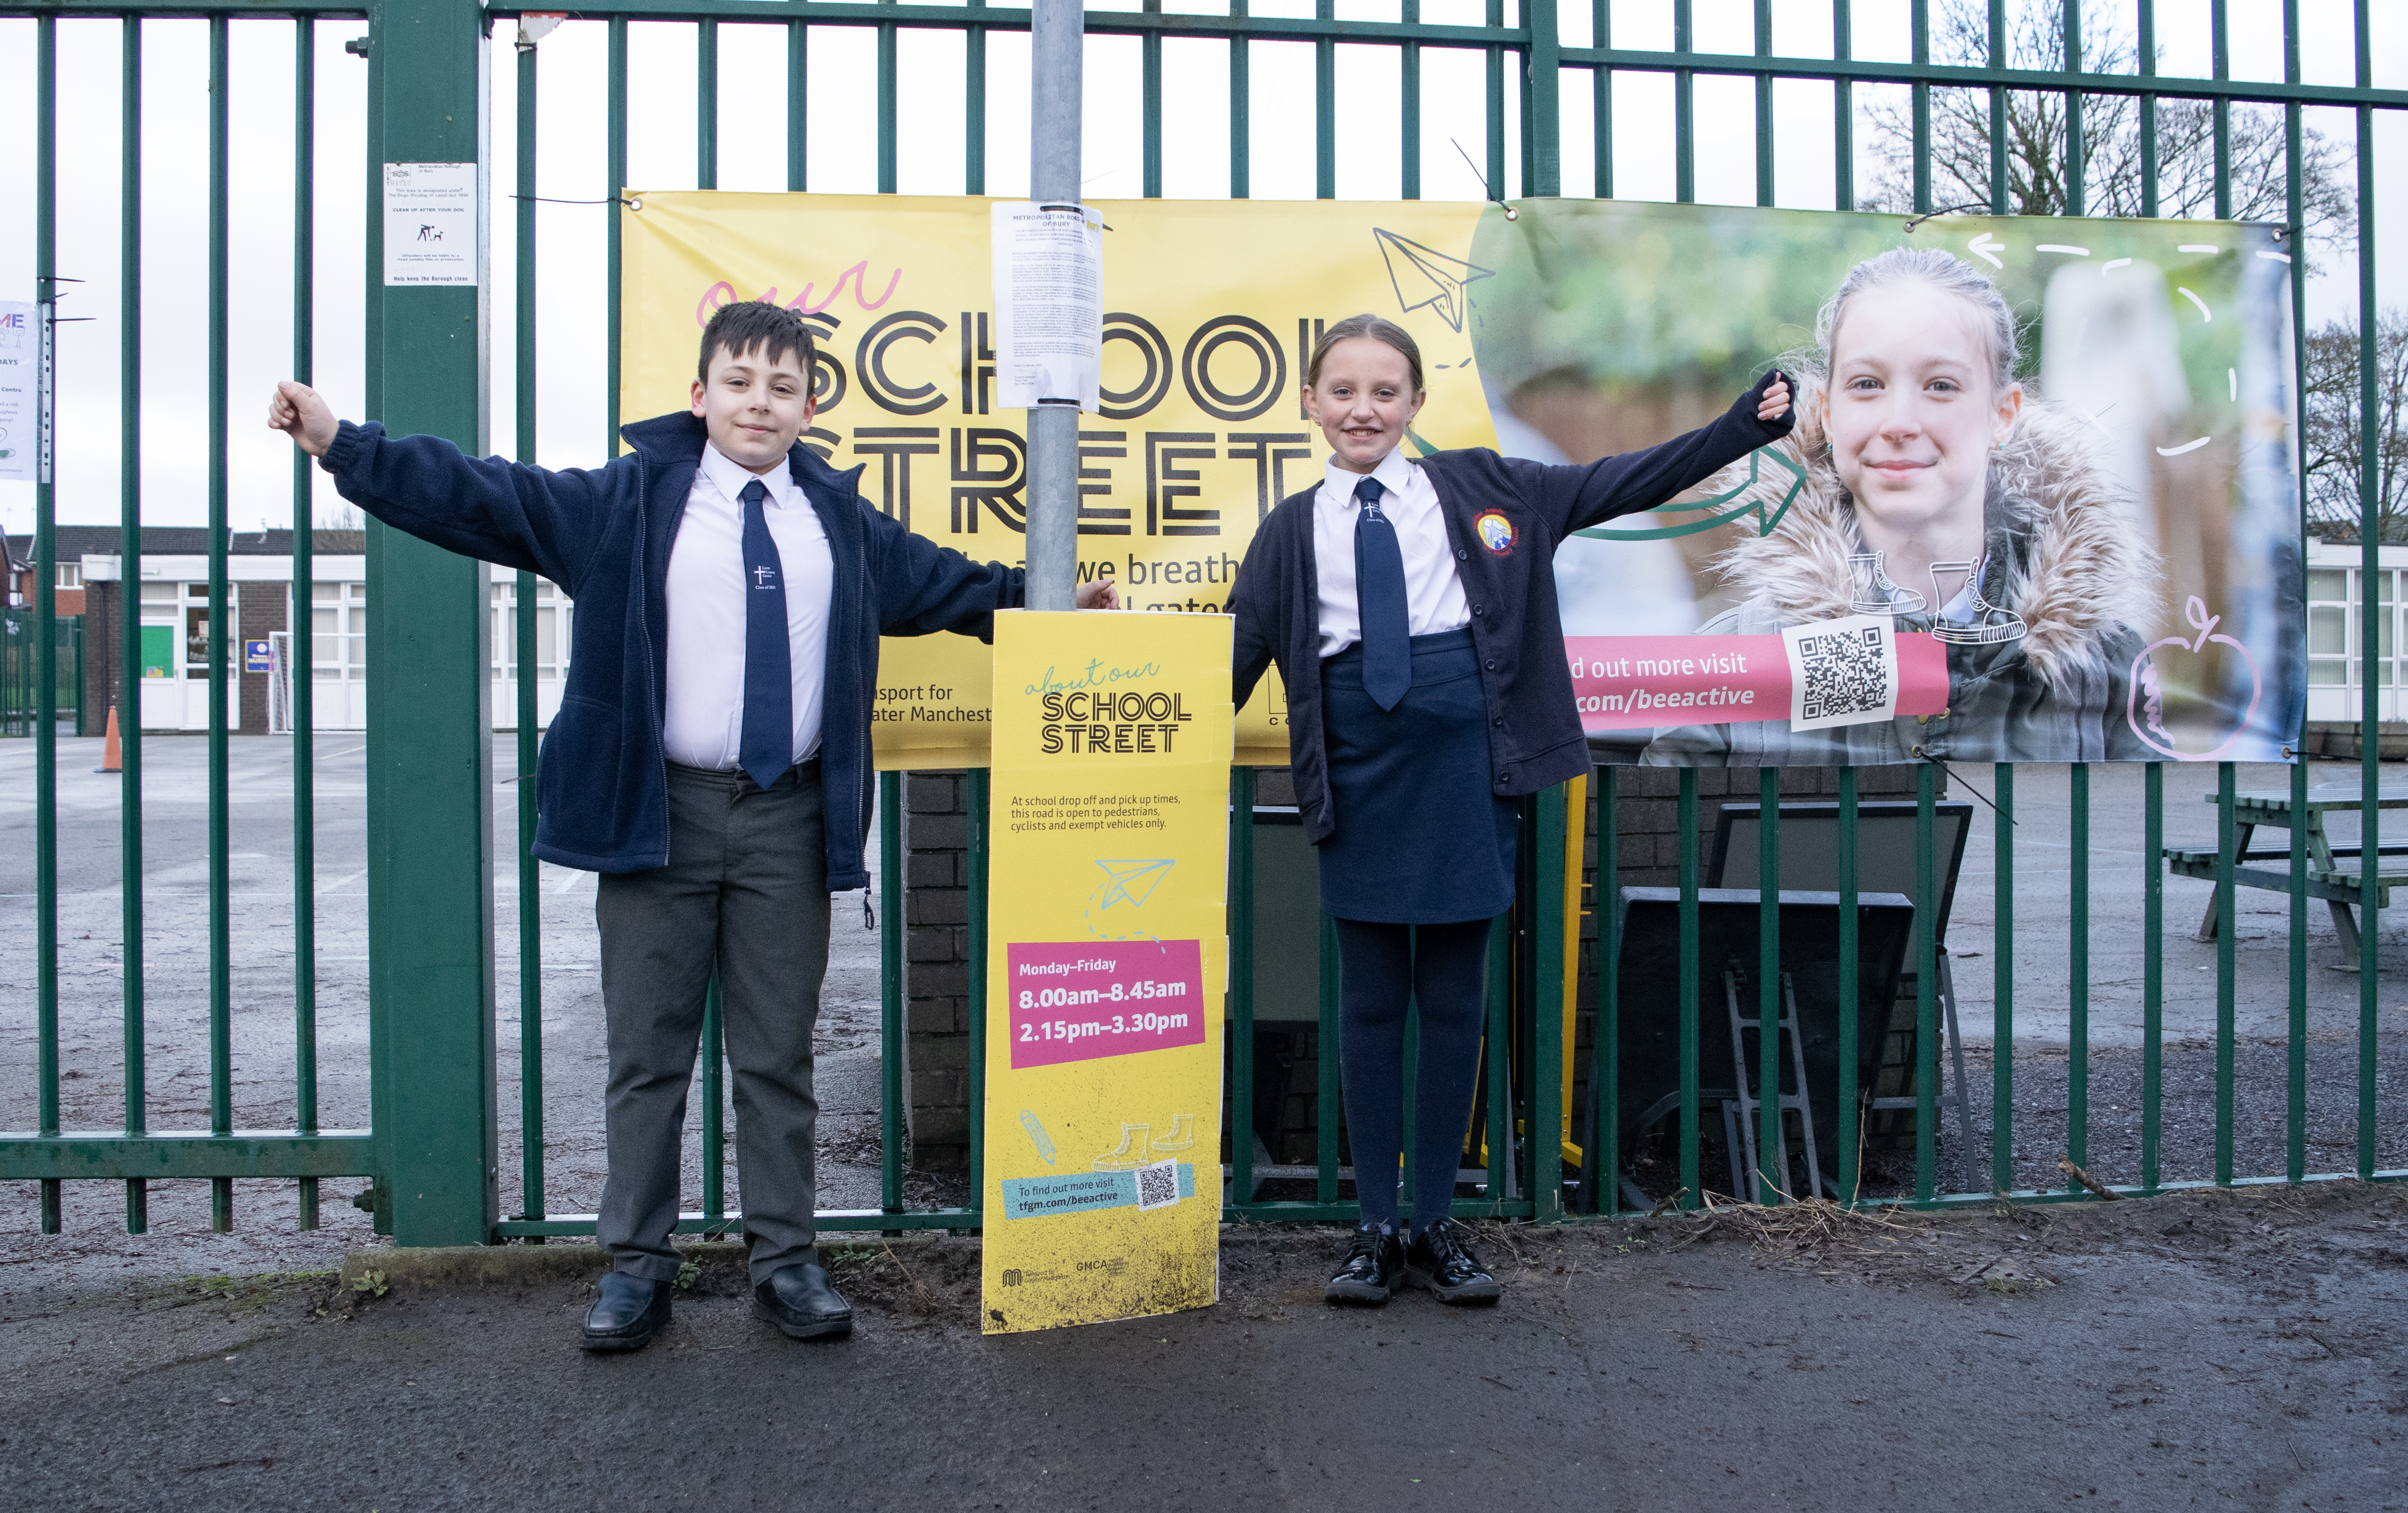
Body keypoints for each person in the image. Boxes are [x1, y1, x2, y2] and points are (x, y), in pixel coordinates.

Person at [268, 301, 1114, 1353]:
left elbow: (952, 585)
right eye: (740, 380)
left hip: (789, 814)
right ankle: (634, 1266)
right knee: (648, 1054)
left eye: (783, 385)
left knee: (775, 1055)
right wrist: (347, 443)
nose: (760, 401)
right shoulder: (629, 500)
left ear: (809, 407)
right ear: (700, 392)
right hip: (655, 811)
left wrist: (1048, 604)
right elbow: (487, 496)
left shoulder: (840, 521)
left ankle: (787, 1261)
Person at [1228, 314, 1792, 1307]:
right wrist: (1104, 674)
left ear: (1411, 404)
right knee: (1365, 1004)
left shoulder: (1491, 490)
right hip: (1357, 785)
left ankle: (1435, 1220)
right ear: (1309, 403)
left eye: (1383, 390)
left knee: (1452, 1002)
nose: (1362, 407)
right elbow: (1221, 669)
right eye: (1342, 390)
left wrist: (1742, 426)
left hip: (1463, 779)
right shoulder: (1286, 534)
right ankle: (1369, 1232)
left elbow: (1626, 477)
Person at [1641, 246, 2156, 765]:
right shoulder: (1729, 664)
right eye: (1866, 384)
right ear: (1827, 412)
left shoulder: (2105, 669)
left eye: (1940, 386)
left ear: (2001, 416)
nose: (1898, 422)